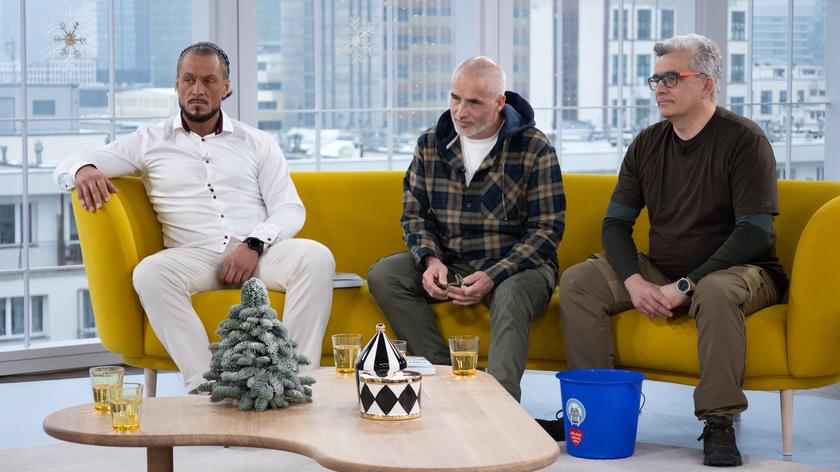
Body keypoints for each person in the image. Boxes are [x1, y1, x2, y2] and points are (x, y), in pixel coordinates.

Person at [559, 34, 787, 467]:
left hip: (743, 270)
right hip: (663, 269)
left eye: (672, 77)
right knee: (579, 282)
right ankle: (595, 409)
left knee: (714, 291)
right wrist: (634, 281)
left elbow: (754, 231)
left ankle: (718, 422)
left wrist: (686, 284)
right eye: (656, 79)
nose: (660, 88)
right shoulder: (647, 143)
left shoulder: (744, 139)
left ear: (707, 84)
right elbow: (615, 225)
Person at [53, 42, 335, 393]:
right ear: (177, 84)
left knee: (316, 257)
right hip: (195, 257)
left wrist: (254, 244)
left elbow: (290, 208)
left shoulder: (258, 142)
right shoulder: (148, 140)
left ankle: (292, 382)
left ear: (226, 87)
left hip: (259, 254)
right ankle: (207, 390)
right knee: (150, 273)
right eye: (189, 79)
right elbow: (67, 163)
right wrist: (82, 169)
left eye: (208, 81)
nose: (197, 89)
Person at [367, 56, 566, 408]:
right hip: (453, 261)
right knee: (385, 275)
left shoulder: (534, 147)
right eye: (455, 98)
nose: (460, 111)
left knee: (511, 295)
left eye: (474, 102)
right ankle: (445, 383)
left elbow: (547, 229)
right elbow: (414, 215)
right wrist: (430, 260)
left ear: (499, 102)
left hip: (518, 268)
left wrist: (493, 275)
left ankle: (500, 408)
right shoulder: (430, 144)